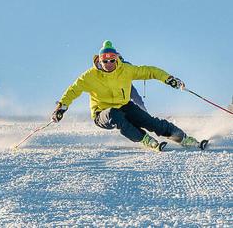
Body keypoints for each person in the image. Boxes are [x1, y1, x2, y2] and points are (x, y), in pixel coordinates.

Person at [51, 40, 202, 151]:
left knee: (149, 121)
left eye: (112, 60)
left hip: (125, 105)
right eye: (105, 61)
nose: (109, 63)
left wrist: (168, 79)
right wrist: (61, 108)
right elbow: (73, 90)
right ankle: (145, 139)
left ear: (116, 58)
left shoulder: (125, 70)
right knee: (114, 114)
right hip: (101, 113)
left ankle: (183, 138)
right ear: (100, 60)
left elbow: (150, 71)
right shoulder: (89, 76)